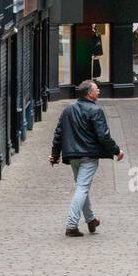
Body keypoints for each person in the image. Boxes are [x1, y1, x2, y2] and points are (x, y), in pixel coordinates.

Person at [50, 80, 124, 237]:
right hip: (89, 156)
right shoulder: (96, 111)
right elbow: (104, 136)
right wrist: (117, 151)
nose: (99, 91)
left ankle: (91, 219)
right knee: (82, 189)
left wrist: (55, 155)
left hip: (73, 156)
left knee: (81, 188)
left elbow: (58, 134)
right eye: (96, 89)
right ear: (89, 93)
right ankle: (71, 225)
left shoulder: (68, 110)